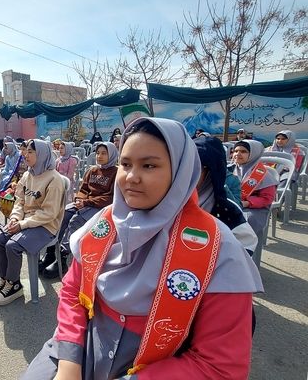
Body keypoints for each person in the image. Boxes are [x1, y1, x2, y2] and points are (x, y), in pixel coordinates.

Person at [23, 117, 263, 379]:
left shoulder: (219, 250)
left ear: (180, 171)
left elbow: (220, 366)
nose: (131, 177)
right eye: (125, 164)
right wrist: (69, 364)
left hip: (161, 365)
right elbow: (72, 292)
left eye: (149, 165)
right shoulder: (105, 223)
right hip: (81, 343)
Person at [0, 139, 65, 306]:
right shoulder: (27, 174)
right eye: (26, 151)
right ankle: (4, 279)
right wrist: (16, 218)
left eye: (31, 152)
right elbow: (20, 201)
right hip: (25, 221)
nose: (25, 154)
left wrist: (22, 224)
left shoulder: (54, 179)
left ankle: (14, 285)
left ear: (43, 154)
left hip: (46, 225)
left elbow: (49, 213)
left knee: (12, 245)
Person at [40, 142, 118, 279]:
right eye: (98, 153)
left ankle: (62, 258)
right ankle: (51, 252)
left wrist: (86, 202)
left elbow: (110, 198)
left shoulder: (116, 173)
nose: (99, 156)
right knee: (62, 215)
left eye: (104, 153)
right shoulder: (92, 170)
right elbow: (83, 189)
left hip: (101, 207)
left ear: (112, 154)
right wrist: (79, 200)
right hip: (85, 203)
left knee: (76, 221)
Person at [195, 137, 258, 255]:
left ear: (212, 172)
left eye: (196, 168)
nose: (186, 173)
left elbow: (244, 246)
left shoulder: (225, 210)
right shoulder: (172, 200)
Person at [232, 140, 278, 257]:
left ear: (253, 154)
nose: (238, 154)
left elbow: (266, 198)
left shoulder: (264, 174)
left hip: (254, 208)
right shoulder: (229, 169)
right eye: (236, 151)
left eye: (243, 151)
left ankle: (243, 255)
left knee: (246, 221)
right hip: (232, 204)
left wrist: (247, 203)